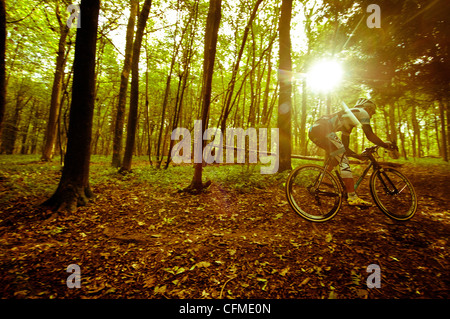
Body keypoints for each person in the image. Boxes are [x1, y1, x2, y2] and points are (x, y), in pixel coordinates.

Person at [308, 98, 397, 206]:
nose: (372, 115)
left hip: (314, 131)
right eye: (372, 112)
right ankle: (352, 197)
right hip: (322, 130)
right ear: (368, 108)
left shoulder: (349, 122)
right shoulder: (362, 112)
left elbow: (345, 148)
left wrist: (358, 156)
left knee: (340, 154)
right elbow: (369, 135)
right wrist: (386, 145)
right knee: (343, 160)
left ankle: (324, 178)